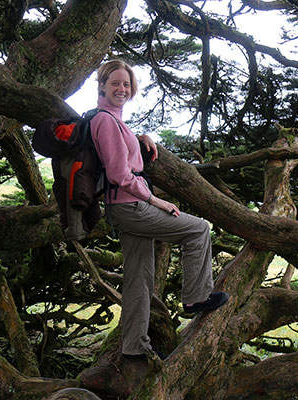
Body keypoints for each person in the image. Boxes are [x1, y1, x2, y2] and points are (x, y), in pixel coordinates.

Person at [91, 59, 229, 359]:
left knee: (139, 280)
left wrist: (141, 138)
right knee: (198, 229)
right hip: (131, 207)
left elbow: (121, 153)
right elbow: (118, 174)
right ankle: (195, 299)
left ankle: (133, 348)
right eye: (115, 83)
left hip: (122, 208)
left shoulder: (112, 120)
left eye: (126, 84)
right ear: (102, 85)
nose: (121, 88)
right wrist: (154, 200)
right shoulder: (105, 121)